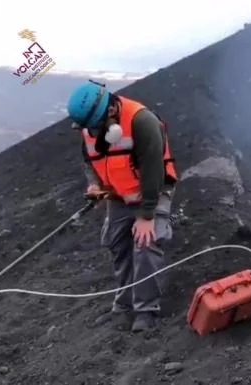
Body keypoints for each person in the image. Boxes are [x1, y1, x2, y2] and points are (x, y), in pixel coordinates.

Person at [66, 80, 178, 332]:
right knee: (117, 243)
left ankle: (146, 310)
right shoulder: (89, 128)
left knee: (145, 243)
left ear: (111, 112)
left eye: (94, 126)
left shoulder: (142, 122)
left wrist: (147, 214)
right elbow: (89, 159)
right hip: (118, 195)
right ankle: (125, 303)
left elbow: (153, 171)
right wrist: (95, 186)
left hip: (152, 191)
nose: (90, 132)